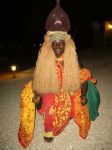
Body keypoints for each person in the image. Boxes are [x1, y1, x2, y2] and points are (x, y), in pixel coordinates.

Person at [18, 0, 100, 148]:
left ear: (66, 44)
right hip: (51, 90)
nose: (57, 46)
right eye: (54, 43)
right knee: (50, 105)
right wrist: (37, 93)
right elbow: (36, 80)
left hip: (69, 88)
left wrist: (82, 94)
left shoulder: (72, 56)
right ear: (50, 44)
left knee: (76, 105)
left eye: (60, 43)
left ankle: (71, 117)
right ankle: (48, 130)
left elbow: (83, 77)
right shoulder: (43, 57)